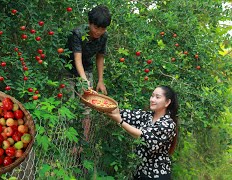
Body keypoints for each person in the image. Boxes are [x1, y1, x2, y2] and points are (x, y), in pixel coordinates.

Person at [105, 86, 179, 179]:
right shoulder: (147, 116)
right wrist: (104, 104)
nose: (152, 99)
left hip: (157, 175)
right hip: (140, 173)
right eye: (152, 96)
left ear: (167, 102)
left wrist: (121, 122)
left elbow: (143, 136)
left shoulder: (168, 124)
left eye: (157, 97)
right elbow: (123, 114)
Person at [64, 4, 112, 142]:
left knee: (87, 106)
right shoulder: (78, 33)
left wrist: (100, 80)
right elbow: (77, 58)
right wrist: (84, 81)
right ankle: (68, 140)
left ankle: (82, 143)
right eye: (96, 27)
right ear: (89, 23)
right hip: (68, 69)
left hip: (87, 69)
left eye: (102, 29)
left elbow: (100, 56)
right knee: (69, 103)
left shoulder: (104, 36)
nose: (98, 32)